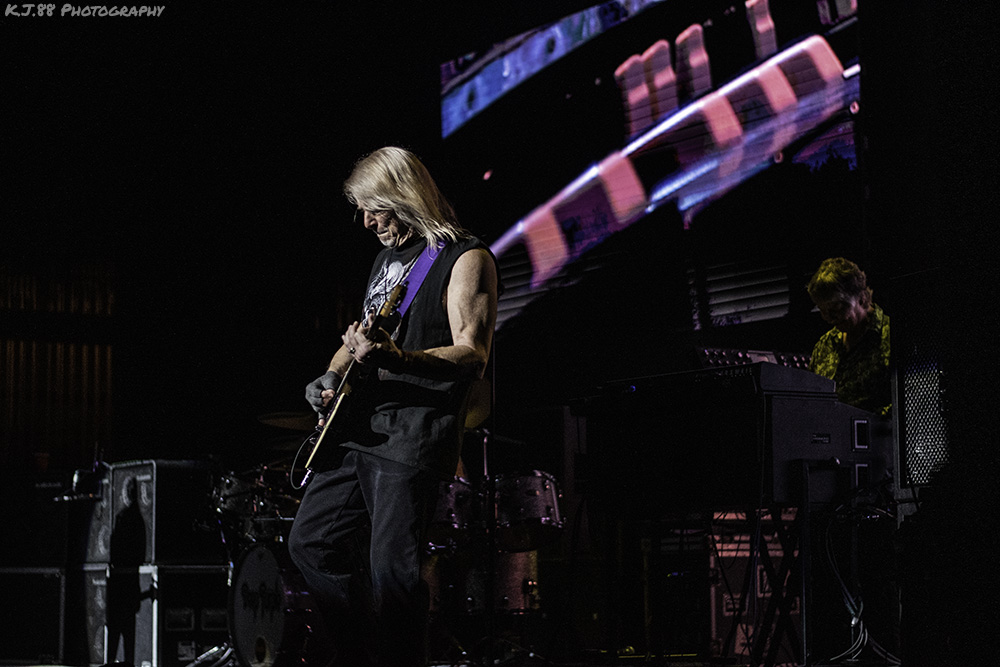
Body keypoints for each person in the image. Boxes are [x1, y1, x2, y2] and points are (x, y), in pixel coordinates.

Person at [287, 146, 499, 666]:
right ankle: (362, 652)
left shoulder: (464, 257)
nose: (365, 222)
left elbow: (472, 352)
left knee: (393, 576)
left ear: (403, 197)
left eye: (373, 208)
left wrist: (398, 357)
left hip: (413, 434)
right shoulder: (387, 260)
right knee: (311, 542)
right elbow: (360, 337)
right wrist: (330, 375)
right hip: (358, 428)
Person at [807, 257, 891, 416]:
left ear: (862, 298)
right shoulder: (825, 345)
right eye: (822, 310)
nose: (828, 318)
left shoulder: (892, 338)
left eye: (836, 309)